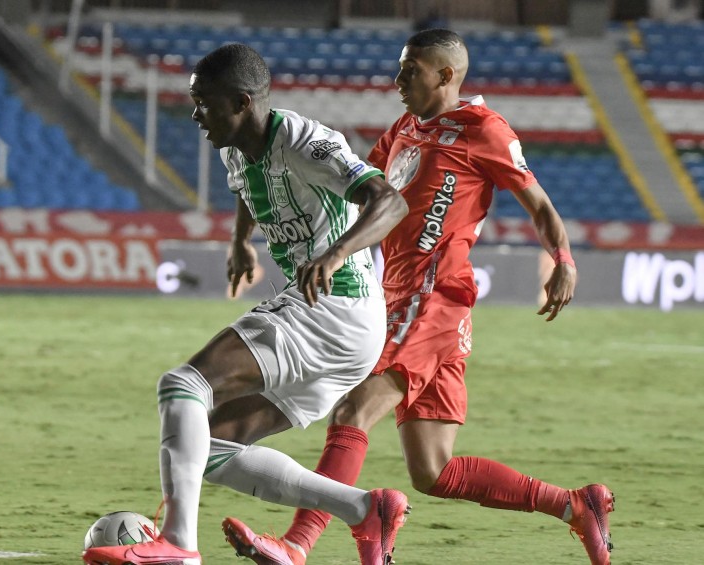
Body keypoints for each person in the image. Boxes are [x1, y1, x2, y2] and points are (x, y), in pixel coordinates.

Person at [221, 29, 615, 565]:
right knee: (434, 471)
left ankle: (296, 546)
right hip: (400, 297)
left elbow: (540, 205)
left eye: (410, 70)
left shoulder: (484, 130)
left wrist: (564, 260)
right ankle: (576, 506)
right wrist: (251, 231)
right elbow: (357, 188)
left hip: (432, 296)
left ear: (446, 75)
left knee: (352, 411)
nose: (398, 80)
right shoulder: (405, 128)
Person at [81, 43, 410, 565]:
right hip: (344, 332)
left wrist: (333, 254)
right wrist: (241, 242)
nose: (194, 115)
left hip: (333, 305)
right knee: (208, 445)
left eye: (203, 103)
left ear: (241, 102)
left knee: (184, 385)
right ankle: (365, 510)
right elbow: (246, 186)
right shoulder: (233, 144)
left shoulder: (307, 140)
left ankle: (178, 545)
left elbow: (390, 200)